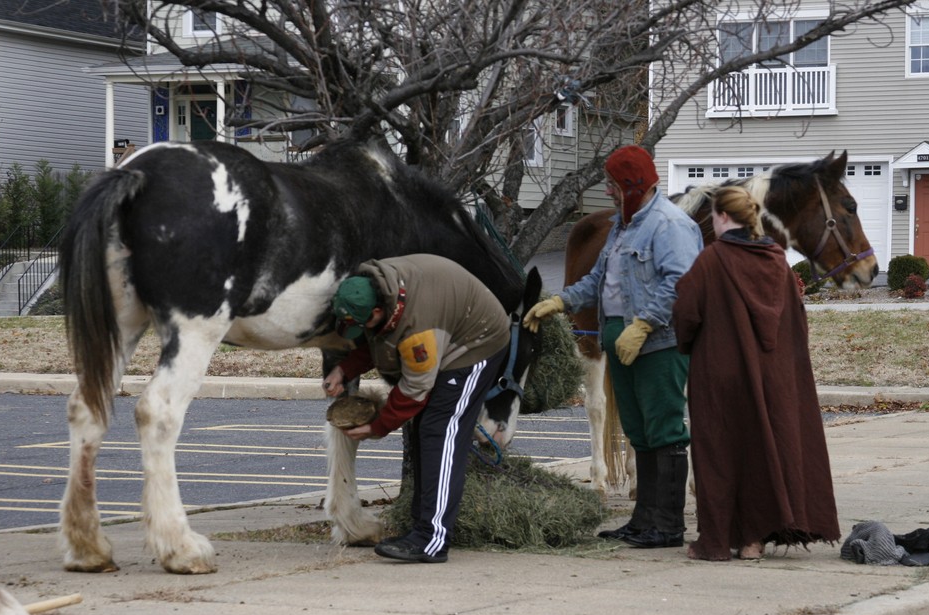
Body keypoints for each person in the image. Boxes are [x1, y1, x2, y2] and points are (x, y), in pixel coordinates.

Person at [523, 145, 703, 548]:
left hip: (657, 342)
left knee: (664, 429)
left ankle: (669, 525)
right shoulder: (623, 227)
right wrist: (560, 301)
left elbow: (681, 281)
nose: (608, 192)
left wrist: (643, 324)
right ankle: (644, 520)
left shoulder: (669, 225)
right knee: (638, 429)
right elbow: (599, 280)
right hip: (618, 339)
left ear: (631, 185)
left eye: (612, 185)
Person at [672, 185, 841, 561]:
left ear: (724, 217)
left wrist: (688, 344)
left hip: (720, 374)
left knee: (720, 455)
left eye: (714, 216)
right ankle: (753, 541)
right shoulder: (778, 260)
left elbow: (686, 312)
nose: (712, 222)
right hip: (774, 375)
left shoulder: (712, 259)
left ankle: (717, 540)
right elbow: (797, 320)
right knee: (764, 451)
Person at [323, 254, 510, 564]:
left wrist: (377, 427)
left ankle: (432, 540)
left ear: (381, 311)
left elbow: (413, 391)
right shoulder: (374, 291)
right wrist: (344, 370)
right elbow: (375, 339)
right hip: (446, 329)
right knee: (425, 428)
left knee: (440, 430)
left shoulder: (417, 329)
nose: (360, 330)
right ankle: (420, 528)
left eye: (363, 323)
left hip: (477, 342)